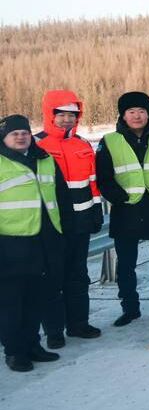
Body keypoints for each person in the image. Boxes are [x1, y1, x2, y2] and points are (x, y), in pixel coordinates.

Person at [96, 91, 149, 326]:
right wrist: (117, 196)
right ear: (123, 115)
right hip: (126, 210)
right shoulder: (109, 141)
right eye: (131, 112)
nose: (137, 116)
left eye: (141, 111)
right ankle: (130, 309)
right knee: (126, 265)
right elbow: (103, 177)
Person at [34, 90, 103, 346]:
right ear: (50, 115)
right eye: (61, 115)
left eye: (71, 116)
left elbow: (92, 182)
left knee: (78, 275)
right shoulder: (37, 145)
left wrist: (96, 209)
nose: (66, 120)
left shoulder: (83, 145)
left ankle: (78, 324)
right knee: (52, 278)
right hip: (51, 225)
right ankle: (54, 331)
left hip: (80, 222)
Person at [1, 115, 66, 372]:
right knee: (10, 303)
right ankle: (15, 351)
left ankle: (33, 344)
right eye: (14, 133)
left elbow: (60, 197)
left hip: (44, 241)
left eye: (24, 132)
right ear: (4, 138)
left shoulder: (45, 159)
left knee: (35, 299)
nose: (20, 136)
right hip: (10, 243)